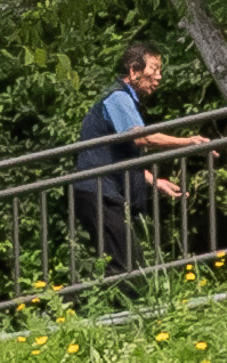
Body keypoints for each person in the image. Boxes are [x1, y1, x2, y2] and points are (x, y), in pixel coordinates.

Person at [73, 42, 192, 280]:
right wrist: (188, 142)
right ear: (134, 70)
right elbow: (142, 138)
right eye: (154, 69)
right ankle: (107, 312)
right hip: (97, 190)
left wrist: (156, 182)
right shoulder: (118, 98)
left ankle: (105, 309)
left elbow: (118, 152)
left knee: (125, 260)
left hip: (101, 190)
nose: (159, 76)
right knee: (124, 264)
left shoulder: (123, 100)